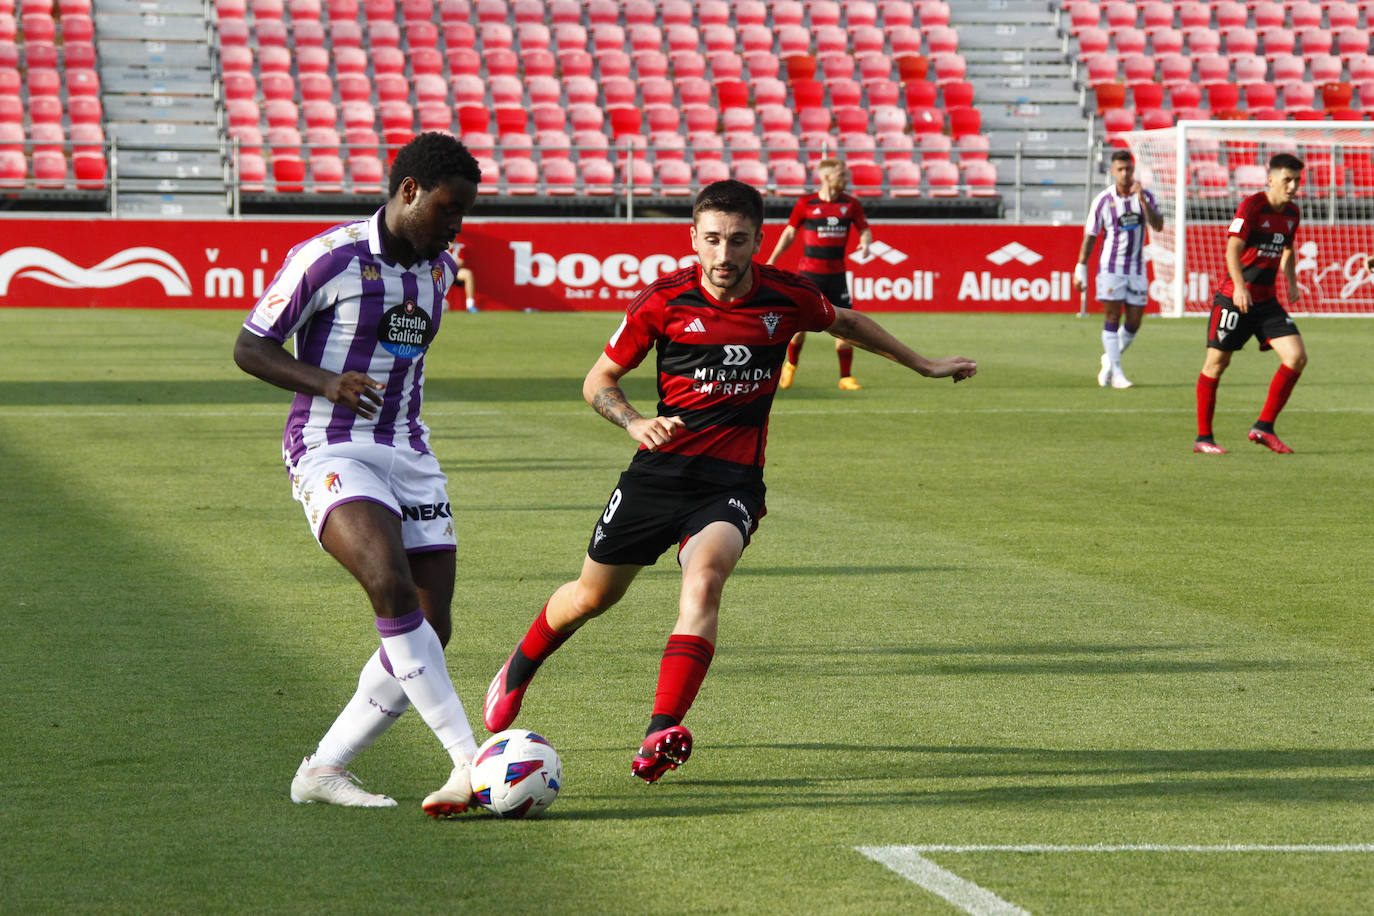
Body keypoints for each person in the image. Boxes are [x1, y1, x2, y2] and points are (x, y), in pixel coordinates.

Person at [482, 180, 977, 783]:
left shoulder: (787, 296)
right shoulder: (662, 301)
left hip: (731, 482)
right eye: (712, 240)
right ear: (692, 238)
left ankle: (659, 729)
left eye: (737, 241)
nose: (723, 255)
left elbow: (844, 321)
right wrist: (635, 421)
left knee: (706, 577)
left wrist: (925, 364)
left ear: (759, 242)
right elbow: (599, 380)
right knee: (593, 597)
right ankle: (519, 667)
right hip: (658, 473)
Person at [233, 132, 484, 815]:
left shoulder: (440, 269)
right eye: (449, 208)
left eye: (465, 212)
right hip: (331, 445)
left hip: (410, 451)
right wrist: (325, 382)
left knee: (432, 628)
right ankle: (470, 760)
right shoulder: (328, 257)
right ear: (408, 192)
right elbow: (250, 346)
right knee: (388, 584)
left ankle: (324, 769)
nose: (457, 225)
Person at [1194, 152, 1307, 454]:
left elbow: (1287, 249)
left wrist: (1292, 282)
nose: (1293, 186)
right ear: (1271, 179)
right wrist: (1240, 288)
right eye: (1288, 180)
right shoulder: (1253, 206)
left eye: (1297, 180)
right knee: (1217, 363)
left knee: (1296, 356)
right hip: (1234, 299)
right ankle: (1204, 438)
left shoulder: (1293, 213)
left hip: (1267, 301)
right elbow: (1232, 249)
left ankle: (1263, 427)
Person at [764, 157, 874, 390]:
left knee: (846, 327)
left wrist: (865, 244)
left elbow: (865, 230)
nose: (847, 180)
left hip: (837, 276)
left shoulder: (851, 204)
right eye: (842, 175)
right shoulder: (806, 204)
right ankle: (791, 365)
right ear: (826, 177)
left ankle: (845, 377)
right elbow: (789, 233)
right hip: (809, 275)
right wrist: (773, 259)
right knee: (800, 327)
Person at [1072, 149, 1163, 389]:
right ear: (1112, 172)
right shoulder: (1103, 200)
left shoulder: (1146, 197)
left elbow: (1159, 225)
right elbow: (1090, 236)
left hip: (1136, 268)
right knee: (1112, 316)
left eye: (1128, 169)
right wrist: (1081, 266)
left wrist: (1143, 202)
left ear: (1134, 170)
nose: (1124, 174)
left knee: (1135, 321)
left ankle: (1109, 360)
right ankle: (1117, 373)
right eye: (1120, 169)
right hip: (1111, 268)